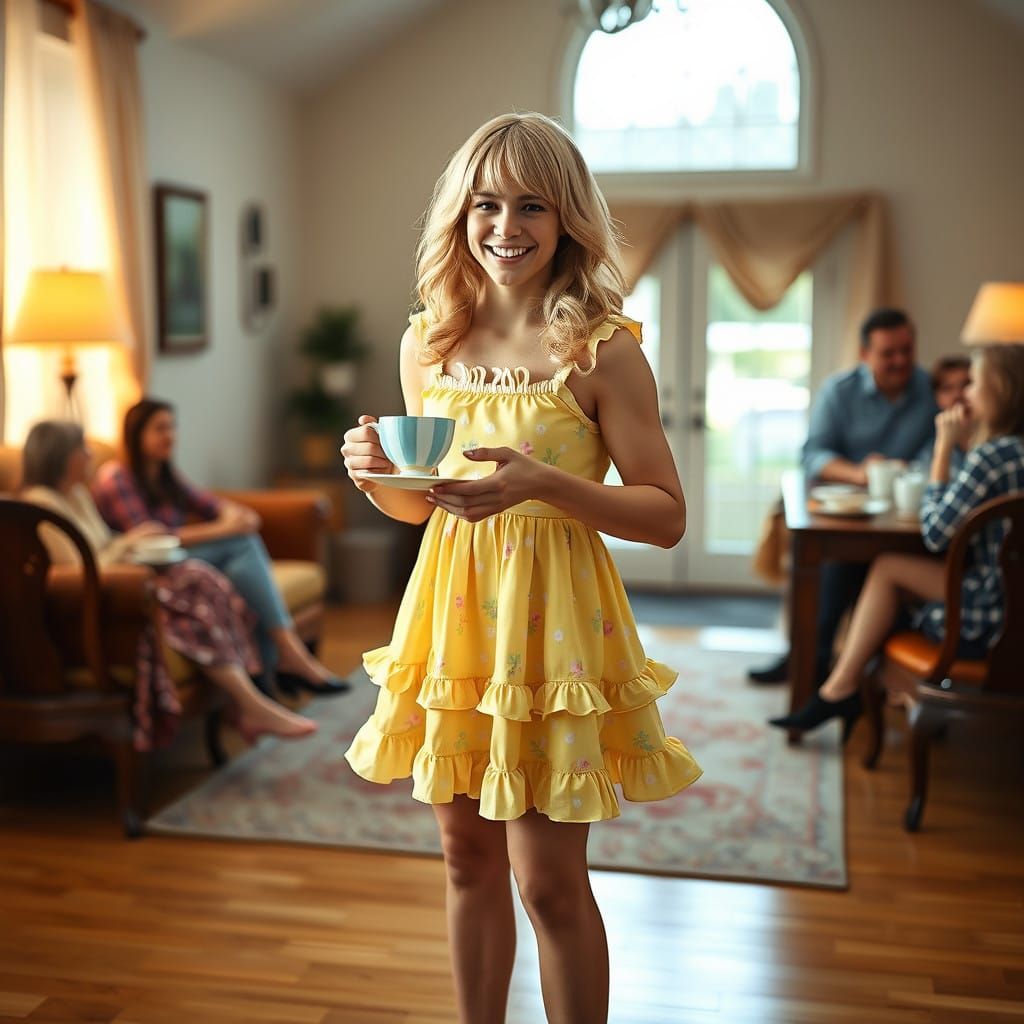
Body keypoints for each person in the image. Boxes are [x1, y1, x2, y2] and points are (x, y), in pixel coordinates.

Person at [340, 113, 702, 1024]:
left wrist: (546, 484)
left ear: (567, 217)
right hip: (454, 622)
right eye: (487, 205)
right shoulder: (428, 343)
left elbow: (666, 515)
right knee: (466, 859)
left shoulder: (603, 348)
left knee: (547, 882)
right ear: (460, 216)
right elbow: (425, 506)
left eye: (531, 205)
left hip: (555, 634)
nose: (506, 227)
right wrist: (375, 478)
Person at [769, 343, 1024, 738]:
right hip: (1012, 605)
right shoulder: (1007, 451)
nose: (966, 394)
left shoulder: (992, 456)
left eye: (974, 383)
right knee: (882, 577)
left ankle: (849, 689)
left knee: (887, 569)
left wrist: (943, 448)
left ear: (999, 390)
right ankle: (863, 689)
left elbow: (936, 533)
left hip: (994, 615)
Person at [20, 421, 318, 747]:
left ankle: (251, 697)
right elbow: (80, 570)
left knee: (203, 579)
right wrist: (131, 543)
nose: (91, 454)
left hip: (124, 582)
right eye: (82, 449)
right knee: (195, 596)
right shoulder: (41, 506)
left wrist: (132, 540)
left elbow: (103, 545)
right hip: (106, 604)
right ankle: (254, 700)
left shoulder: (76, 495)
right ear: (61, 456)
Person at [91, 398, 347, 697]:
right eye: (159, 429)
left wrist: (233, 515)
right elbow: (151, 540)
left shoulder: (165, 476)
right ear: (136, 434)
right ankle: (289, 656)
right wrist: (225, 528)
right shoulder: (117, 478)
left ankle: (267, 680)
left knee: (241, 571)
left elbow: (212, 505)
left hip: (179, 557)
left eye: (172, 427)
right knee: (240, 543)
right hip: (145, 570)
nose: (170, 435)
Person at [748, 308, 939, 686]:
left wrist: (909, 470)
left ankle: (849, 676)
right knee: (833, 571)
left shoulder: (929, 389)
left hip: (905, 520)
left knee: (876, 573)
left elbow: (936, 453)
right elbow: (813, 455)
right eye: (888, 353)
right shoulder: (839, 391)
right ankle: (810, 663)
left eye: (906, 350)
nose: (900, 360)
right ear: (865, 354)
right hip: (847, 516)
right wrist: (859, 472)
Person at [913, 353, 972, 472]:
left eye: (966, 385)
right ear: (936, 397)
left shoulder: (995, 442)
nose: (957, 395)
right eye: (947, 388)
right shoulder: (930, 453)